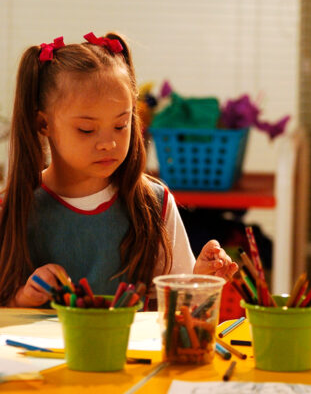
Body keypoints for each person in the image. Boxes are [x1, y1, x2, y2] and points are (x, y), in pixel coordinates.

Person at [0, 32, 238, 308]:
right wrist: (21, 300)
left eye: (121, 125)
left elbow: (182, 316)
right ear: (44, 125)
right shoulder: (11, 209)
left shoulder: (154, 204)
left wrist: (201, 280)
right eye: (87, 129)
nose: (109, 143)